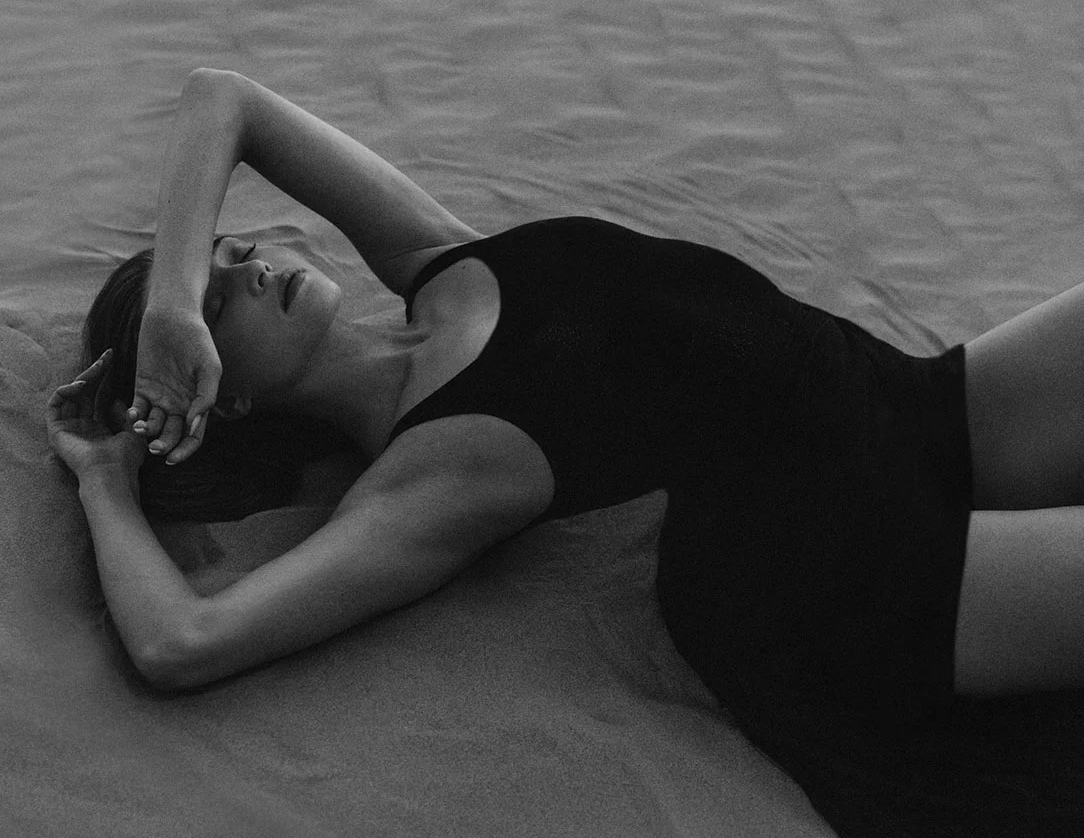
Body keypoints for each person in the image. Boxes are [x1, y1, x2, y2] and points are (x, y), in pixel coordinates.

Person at [47, 68, 1084, 836]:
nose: (247, 263)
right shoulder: (431, 475)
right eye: (226, 299)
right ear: (219, 398)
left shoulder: (435, 260)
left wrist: (177, 300)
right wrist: (105, 476)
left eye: (232, 251)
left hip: (916, 408)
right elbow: (181, 642)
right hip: (866, 575)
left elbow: (222, 99)